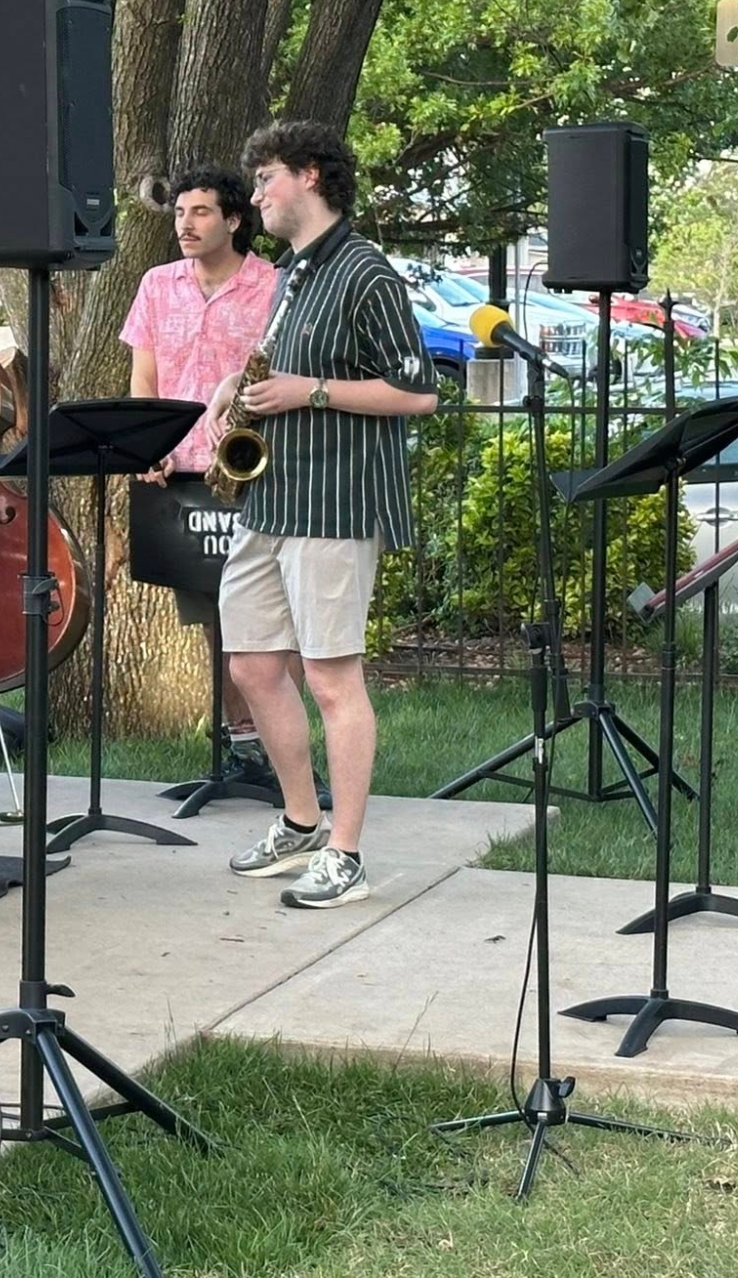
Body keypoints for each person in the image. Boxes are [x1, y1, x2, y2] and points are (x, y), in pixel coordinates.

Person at [210, 119, 436, 908]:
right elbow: (280, 365)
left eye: (266, 177)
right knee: (252, 664)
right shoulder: (294, 271)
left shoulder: (366, 272)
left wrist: (309, 392)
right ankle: (302, 821)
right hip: (272, 497)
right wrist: (231, 391)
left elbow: (418, 391)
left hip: (335, 504)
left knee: (331, 678)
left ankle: (346, 853)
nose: (257, 193)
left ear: (309, 175)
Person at [121, 168, 331, 807]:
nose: (185, 223)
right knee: (217, 624)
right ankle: (241, 750)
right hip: (178, 473)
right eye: (180, 212)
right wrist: (147, 446)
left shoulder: (273, 285)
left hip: (256, 475)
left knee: (277, 625)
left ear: (235, 220)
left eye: (202, 212)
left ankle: (289, 759)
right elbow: (144, 376)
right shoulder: (157, 284)